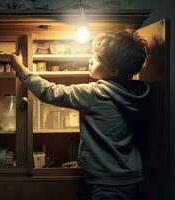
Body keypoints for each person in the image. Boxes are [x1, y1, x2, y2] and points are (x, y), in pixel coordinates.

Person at [11, 30, 149, 200]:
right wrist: (84, 164)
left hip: (107, 184)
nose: (90, 59)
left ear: (113, 70)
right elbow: (112, 138)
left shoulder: (95, 93)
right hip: (133, 177)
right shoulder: (138, 94)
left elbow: (49, 92)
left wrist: (21, 69)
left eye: (97, 59)